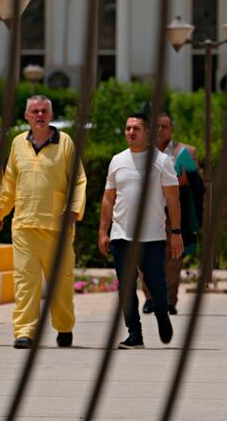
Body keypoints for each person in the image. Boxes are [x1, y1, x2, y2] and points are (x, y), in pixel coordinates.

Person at [0, 95, 87, 349]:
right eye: (34, 111)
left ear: (51, 116)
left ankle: (64, 327)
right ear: (26, 116)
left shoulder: (65, 143)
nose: (40, 115)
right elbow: (9, 182)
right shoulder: (17, 144)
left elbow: (78, 180)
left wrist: (74, 210)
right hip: (24, 226)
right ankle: (24, 332)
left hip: (57, 228)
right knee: (25, 283)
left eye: (44, 111)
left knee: (62, 285)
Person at [98, 113, 183, 349]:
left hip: (152, 237)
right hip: (121, 235)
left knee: (156, 284)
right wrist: (103, 231)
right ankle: (135, 335)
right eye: (127, 128)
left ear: (147, 132)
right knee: (125, 288)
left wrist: (176, 232)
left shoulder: (162, 161)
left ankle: (162, 316)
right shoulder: (117, 161)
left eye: (136, 128)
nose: (131, 132)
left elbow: (173, 200)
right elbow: (108, 199)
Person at [141, 112, 202, 316]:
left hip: (173, 212)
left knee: (174, 257)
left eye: (164, 126)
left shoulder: (185, 151)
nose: (160, 130)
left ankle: (169, 300)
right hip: (148, 213)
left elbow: (194, 183)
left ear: (171, 129)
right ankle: (149, 298)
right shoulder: (141, 151)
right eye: (156, 126)